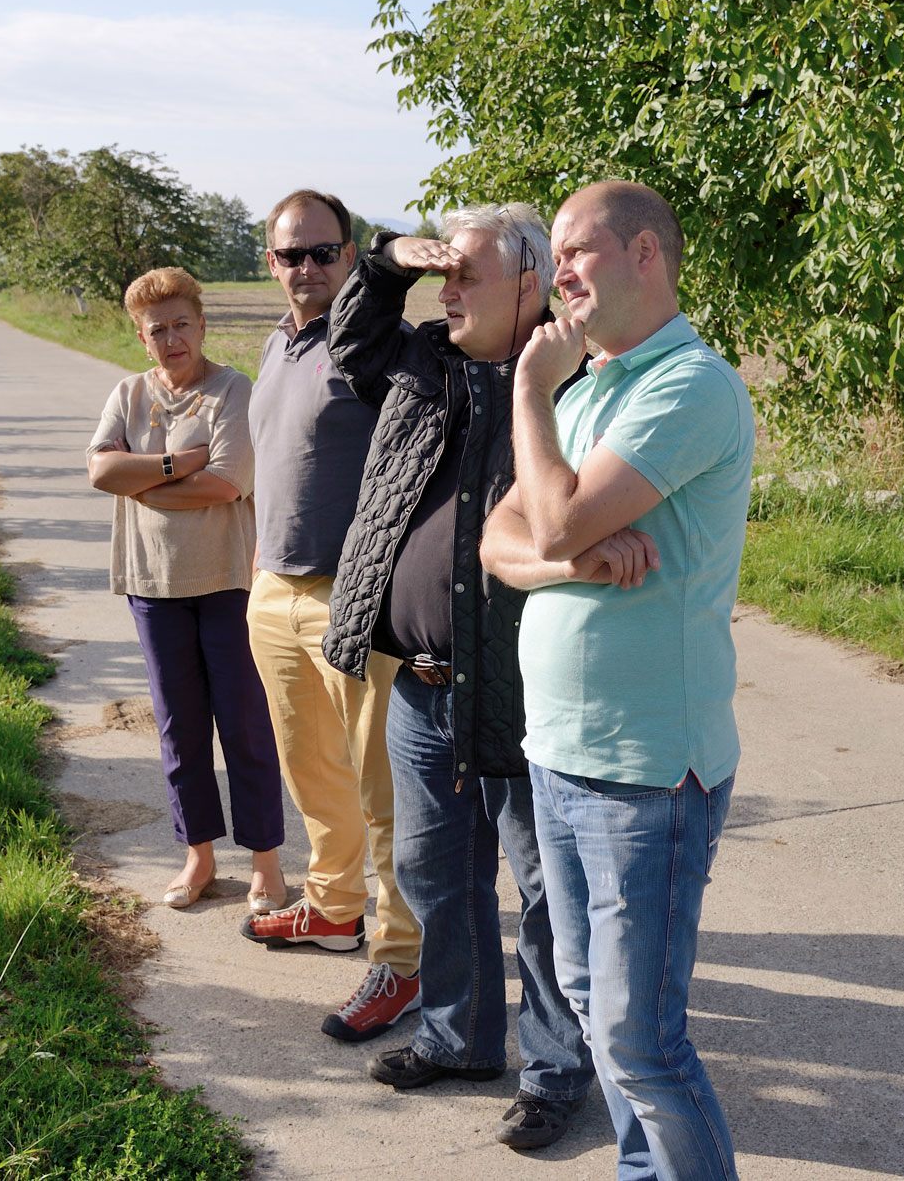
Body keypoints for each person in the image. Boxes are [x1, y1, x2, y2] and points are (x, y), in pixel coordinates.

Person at [323, 205, 625, 1152]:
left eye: (468, 277)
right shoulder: (423, 360)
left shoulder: (577, 384)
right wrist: (387, 261)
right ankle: (458, 1038)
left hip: (523, 686)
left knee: (545, 889)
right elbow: (349, 341)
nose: (447, 293)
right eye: (443, 276)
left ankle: (553, 1073)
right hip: (420, 681)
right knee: (433, 868)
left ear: (530, 284)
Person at [482, 181, 754, 1181]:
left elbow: (544, 519)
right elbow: (500, 540)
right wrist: (576, 559)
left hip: (646, 769)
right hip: (558, 753)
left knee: (643, 1038)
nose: (556, 275)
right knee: (595, 1006)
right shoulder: (591, 388)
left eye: (574, 251)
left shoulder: (688, 384)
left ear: (647, 253)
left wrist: (524, 388)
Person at [242, 187, 423, 1042]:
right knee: (312, 770)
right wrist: (258, 573)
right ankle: (332, 906)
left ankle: (401, 960)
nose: (307, 268)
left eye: (323, 252)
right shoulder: (278, 343)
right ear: (269, 261)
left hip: (353, 602)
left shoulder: (373, 351)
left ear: (350, 255)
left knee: (382, 791)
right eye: (291, 254)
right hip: (273, 590)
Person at [85, 266, 285, 913]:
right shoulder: (128, 393)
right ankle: (197, 857)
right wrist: (175, 465)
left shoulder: (233, 391)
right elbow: (99, 471)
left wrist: (139, 480)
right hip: (152, 584)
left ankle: (265, 866)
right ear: (142, 339)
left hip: (228, 582)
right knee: (179, 728)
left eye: (180, 325)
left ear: (202, 326)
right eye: (157, 330)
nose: (171, 339)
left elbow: (226, 484)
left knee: (246, 726)